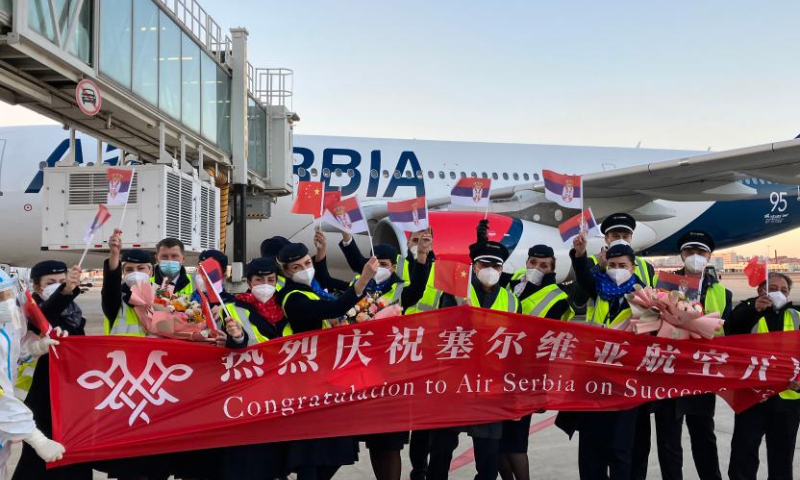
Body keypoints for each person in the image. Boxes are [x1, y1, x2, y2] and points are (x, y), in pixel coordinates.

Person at [631, 231, 730, 480]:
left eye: (701, 252)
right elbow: (650, 321)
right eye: (689, 252)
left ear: (709, 256)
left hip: (700, 374)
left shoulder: (722, 292)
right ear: (682, 255)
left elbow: (727, 334)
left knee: (704, 435)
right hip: (669, 371)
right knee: (668, 439)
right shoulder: (663, 286)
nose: (695, 257)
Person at [277, 242, 379, 480]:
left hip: (328, 379)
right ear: (287, 271)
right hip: (307, 382)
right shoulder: (292, 297)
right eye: (297, 266)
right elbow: (333, 308)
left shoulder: (313, 288)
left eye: (307, 263)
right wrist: (362, 280)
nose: (305, 269)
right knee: (312, 455)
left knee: (335, 448)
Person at [428, 220, 520, 480]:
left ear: (502, 269)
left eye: (496, 265)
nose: (490, 270)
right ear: (474, 267)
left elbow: (518, 347)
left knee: (488, 457)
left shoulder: (512, 300)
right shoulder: (455, 292)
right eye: (484, 264)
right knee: (441, 450)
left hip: (490, 386)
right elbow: (441, 332)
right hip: (454, 384)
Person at [337, 237, 429, 480]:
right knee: (373, 442)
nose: (379, 267)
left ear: (394, 266)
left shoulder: (400, 290)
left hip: (392, 379)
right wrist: (346, 240)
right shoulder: (358, 287)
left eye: (385, 263)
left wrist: (421, 257)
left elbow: (418, 287)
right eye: (375, 262)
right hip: (361, 376)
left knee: (389, 444)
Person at [559, 234, 642, 480]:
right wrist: (581, 254)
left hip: (625, 385)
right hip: (593, 381)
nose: (617, 270)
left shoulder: (646, 297)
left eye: (623, 265)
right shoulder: (598, 286)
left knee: (620, 450)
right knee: (591, 450)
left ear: (633, 267)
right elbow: (583, 276)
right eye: (613, 265)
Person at [498, 244, 572, 480]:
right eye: (532, 263)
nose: (536, 268)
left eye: (543, 266)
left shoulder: (557, 296)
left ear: (552, 268)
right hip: (500, 371)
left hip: (528, 375)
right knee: (496, 437)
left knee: (516, 440)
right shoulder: (514, 284)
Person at [13, 261, 92, 480]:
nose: (57, 286)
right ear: (37, 288)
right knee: (39, 456)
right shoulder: (28, 311)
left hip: (71, 392)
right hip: (41, 392)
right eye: (51, 283)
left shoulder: (73, 312)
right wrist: (66, 291)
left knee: (73, 449)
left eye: (61, 282)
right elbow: (43, 318)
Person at [726, 272, 800, 480]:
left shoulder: (796, 315)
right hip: (753, 398)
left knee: (782, 460)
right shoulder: (746, 310)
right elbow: (731, 328)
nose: (779, 293)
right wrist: (754, 309)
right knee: (743, 456)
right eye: (773, 289)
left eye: (784, 290)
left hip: (787, 401)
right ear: (761, 290)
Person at [0, 269, 65, 480]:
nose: (5, 301)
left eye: (7, 294)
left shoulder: (8, 319)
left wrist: (37, 346)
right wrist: (36, 438)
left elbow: (16, 346)